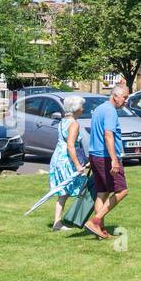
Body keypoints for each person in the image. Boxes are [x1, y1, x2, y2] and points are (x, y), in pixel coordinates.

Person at [84, 84, 130, 241]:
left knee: (102, 193)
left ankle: (100, 231)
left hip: (95, 155)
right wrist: (114, 160)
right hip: (106, 157)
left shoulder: (99, 108)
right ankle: (95, 221)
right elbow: (108, 135)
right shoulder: (110, 110)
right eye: (125, 97)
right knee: (122, 191)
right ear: (115, 96)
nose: (126, 101)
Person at [47, 95, 89, 231]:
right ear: (76, 108)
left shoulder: (63, 121)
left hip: (58, 157)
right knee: (82, 188)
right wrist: (77, 164)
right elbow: (71, 145)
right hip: (66, 160)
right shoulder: (74, 124)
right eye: (82, 106)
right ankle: (82, 218)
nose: (83, 109)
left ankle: (58, 222)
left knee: (64, 191)